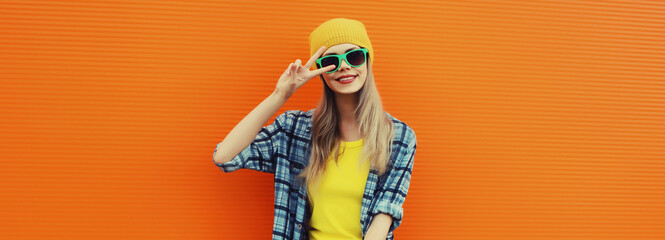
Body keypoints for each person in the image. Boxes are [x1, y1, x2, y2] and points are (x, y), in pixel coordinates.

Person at [213, 18, 416, 240]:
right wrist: (280, 95)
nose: (345, 66)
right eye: (331, 61)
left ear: (367, 60)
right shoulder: (294, 129)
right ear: (320, 70)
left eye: (354, 56)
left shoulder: (399, 137)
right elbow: (225, 157)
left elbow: (384, 212)